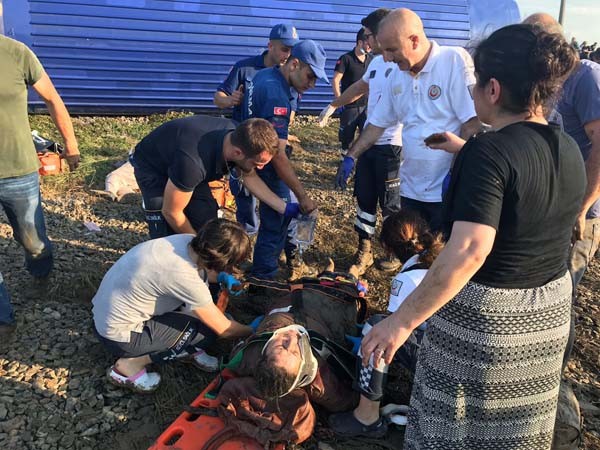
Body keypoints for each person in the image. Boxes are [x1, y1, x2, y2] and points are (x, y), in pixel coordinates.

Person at [360, 23, 584, 449]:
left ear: (493, 89)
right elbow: (523, 186)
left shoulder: (488, 151)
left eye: (477, 83)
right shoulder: (567, 147)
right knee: (518, 429)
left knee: (454, 426)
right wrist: (462, 149)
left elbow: (469, 250)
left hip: (487, 325)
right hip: (548, 314)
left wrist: (400, 322)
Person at [334, 8, 480, 232]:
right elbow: (376, 125)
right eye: (383, 51)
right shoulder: (396, 77)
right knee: (413, 256)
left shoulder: (452, 61)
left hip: (445, 194)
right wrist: (351, 155)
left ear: (414, 40)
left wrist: (454, 173)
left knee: (440, 258)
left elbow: (472, 124)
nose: (387, 58)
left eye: (391, 50)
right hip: (410, 192)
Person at [92, 219, 257, 393]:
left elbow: (202, 273)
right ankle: (129, 366)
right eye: (229, 265)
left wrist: (221, 276)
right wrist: (252, 329)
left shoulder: (186, 241)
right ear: (219, 261)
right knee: (206, 333)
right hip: (119, 338)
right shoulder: (183, 275)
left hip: (105, 317)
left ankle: (184, 348)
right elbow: (225, 330)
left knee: (202, 319)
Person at [523, 14, 600, 370]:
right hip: (553, 204)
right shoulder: (546, 82)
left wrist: (581, 208)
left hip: (582, 210)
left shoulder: (585, 77)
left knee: (560, 295)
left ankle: (550, 376)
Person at [329, 210, 444, 438]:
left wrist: (365, 338)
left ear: (388, 249)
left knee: (376, 329)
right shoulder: (446, 262)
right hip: (461, 352)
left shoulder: (405, 279)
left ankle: (366, 416)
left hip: (439, 360)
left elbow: (391, 329)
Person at [0, 35, 80, 341]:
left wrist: (70, 145)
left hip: (18, 169)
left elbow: (52, 99)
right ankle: (3, 318)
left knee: (33, 241)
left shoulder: (16, 53)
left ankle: (41, 272)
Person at [319, 8, 403, 276]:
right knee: (364, 200)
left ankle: (394, 252)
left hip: (393, 147)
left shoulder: (401, 65)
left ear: (381, 34)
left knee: (390, 204)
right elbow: (358, 89)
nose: (365, 40)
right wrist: (334, 104)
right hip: (368, 144)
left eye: (368, 35)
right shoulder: (375, 64)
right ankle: (364, 251)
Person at [130, 115, 301, 239]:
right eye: (258, 163)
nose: (262, 168)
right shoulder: (193, 164)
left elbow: (249, 176)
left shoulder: (240, 136)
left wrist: (284, 208)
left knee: (207, 223)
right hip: (153, 167)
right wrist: (198, 247)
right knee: (168, 236)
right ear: (237, 153)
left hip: (187, 166)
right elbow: (172, 212)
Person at [240, 40, 325, 279]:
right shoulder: (277, 96)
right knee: (275, 221)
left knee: (283, 215)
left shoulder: (264, 75)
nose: (312, 84)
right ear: (294, 64)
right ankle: (263, 279)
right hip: (265, 163)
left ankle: (291, 261)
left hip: (252, 153)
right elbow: (277, 154)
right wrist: (302, 195)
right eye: (310, 77)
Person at [213, 23, 300, 236]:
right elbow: (218, 98)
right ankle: (246, 235)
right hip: (242, 147)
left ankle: (286, 244)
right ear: (270, 45)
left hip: (271, 148)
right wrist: (230, 100)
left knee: (279, 195)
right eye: (284, 49)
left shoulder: (290, 74)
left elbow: (291, 113)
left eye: (291, 51)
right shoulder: (245, 68)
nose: (287, 55)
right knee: (244, 193)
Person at [331, 28, 372, 156]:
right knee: (346, 139)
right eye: (368, 43)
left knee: (367, 138)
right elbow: (336, 80)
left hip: (366, 107)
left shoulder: (372, 60)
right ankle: (344, 163)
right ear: (360, 42)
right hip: (349, 108)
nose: (371, 46)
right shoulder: (346, 59)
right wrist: (339, 102)